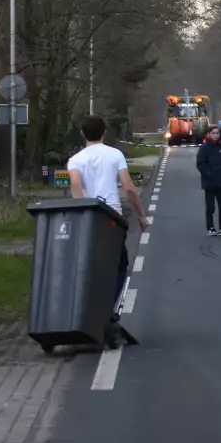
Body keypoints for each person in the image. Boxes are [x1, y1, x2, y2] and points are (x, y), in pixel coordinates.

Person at [66, 115, 147, 348]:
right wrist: (141, 215)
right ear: (105, 132)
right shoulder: (115, 155)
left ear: (82, 133)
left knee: (90, 266)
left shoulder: (75, 160)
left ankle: (88, 312)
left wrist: (81, 212)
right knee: (119, 265)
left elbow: (75, 187)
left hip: (89, 217)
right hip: (112, 217)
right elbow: (129, 188)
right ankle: (108, 310)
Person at [197, 126, 221, 236]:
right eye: (213, 133)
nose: (216, 135)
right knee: (210, 207)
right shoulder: (205, 147)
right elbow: (200, 163)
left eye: (217, 133)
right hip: (209, 182)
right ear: (209, 134)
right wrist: (209, 174)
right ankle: (210, 227)